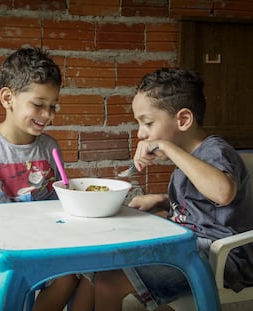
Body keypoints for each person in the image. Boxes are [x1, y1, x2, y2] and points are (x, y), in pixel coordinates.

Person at [71, 68, 253, 311]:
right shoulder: (188, 159)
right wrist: (162, 200)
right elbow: (203, 203)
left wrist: (167, 147)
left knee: (109, 282)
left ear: (184, 120)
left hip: (220, 258)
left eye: (147, 122)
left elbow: (223, 193)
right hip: (187, 247)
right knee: (99, 264)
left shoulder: (215, 151)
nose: (140, 133)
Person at [0, 47, 79, 310]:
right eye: (38, 105)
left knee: (70, 278)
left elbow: (55, 201)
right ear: (8, 98)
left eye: (53, 106)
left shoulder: (49, 148)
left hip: (38, 242)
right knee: (5, 281)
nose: (48, 115)